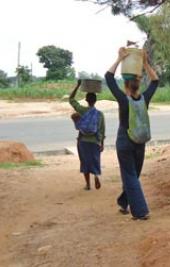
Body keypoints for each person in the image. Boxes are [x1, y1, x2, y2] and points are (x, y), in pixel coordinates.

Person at [105, 47, 159, 220]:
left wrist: (119, 59)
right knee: (133, 175)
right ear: (137, 85)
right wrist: (144, 62)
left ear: (125, 85)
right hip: (140, 141)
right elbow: (155, 81)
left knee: (130, 176)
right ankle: (123, 202)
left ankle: (141, 211)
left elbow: (108, 77)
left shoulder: (123, 99)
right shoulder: (145, 99)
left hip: (124, 141)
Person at [69, 79, 105, 190]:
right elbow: (102, 130)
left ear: (86, 100)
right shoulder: (100, 114)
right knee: (95, 160)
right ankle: (96, 175)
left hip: (83, 141)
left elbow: (71, 99)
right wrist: (102, 143)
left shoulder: (81, 110)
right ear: (95, 101)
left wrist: (77, 85)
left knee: (84, 161)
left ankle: (88, 185)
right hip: (95, 141)